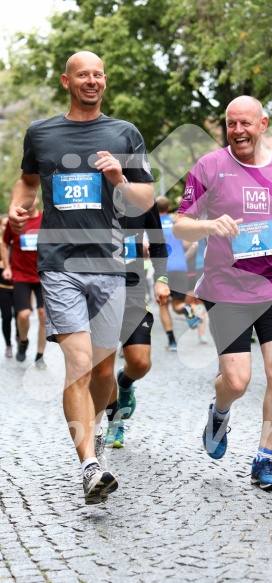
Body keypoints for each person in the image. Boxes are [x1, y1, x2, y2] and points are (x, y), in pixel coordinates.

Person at [7, 51, 154, 504]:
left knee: (104, 371)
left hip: (109, 267)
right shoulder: (42, 133)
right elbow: (28, 182)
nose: (91, 81)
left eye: (98, 75)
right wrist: (19, 207)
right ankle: (90, 465)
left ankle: (107, 413)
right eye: (83, 75)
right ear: (66, 81)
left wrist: (119, 180)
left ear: (104, 81)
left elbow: (145, 199)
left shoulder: (123, 133)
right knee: (79, 363)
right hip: (60, 265)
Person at [173, 95, 272, 490]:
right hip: (225, 287)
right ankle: (220, 410)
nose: (238, 130)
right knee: (237, 381)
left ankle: (264, 459)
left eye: (245, 123)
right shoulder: (209, 166)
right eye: (231, 123)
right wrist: (209, 227)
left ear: (263, 124)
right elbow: (180, 225)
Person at [104, 202, 170, 447]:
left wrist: (161, 278)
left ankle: (125, 382)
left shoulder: (141, 196)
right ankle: (115, 423)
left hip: (133, 292)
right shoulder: (93, 191)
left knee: (140, 362)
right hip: (97, 294)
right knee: (102, 366)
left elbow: (158, 243)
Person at [2, 197, 47, 368]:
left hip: (43, 275)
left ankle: (40, 355)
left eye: (33, 196)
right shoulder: (16, 220)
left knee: (44, 315)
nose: (30, 200)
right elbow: (4, 244)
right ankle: (23, 340)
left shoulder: (46, 219)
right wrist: (7, 267)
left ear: (38, 200)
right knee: (23, 314)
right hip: (21, 275)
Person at [157, 196, 200, 351]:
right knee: (177, 304)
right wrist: (183, 257)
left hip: (162, 269)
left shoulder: (153, 224)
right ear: (168, 208)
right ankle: (186, 309)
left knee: (163, 306)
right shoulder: (176, 223)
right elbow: (189, 244)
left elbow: (146, 245)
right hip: (181, 267)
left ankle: (172, 342)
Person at [0, 215, 14, 357]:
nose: (6, 228)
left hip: (19, 285)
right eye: (3, 225)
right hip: (3, 287)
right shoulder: (1, 244)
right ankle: (8, 344)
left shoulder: (16, 242)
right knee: (7, 316)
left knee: (20, 314)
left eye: (7, 225)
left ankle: (20, 335)